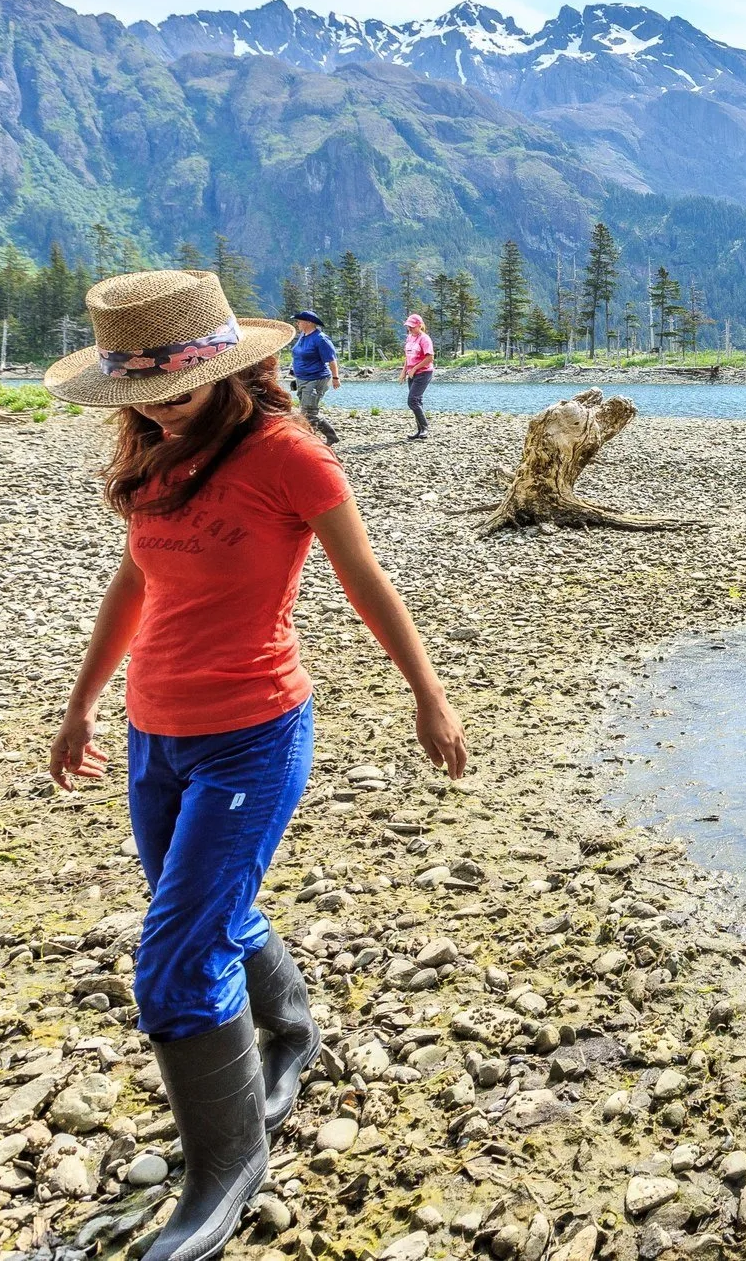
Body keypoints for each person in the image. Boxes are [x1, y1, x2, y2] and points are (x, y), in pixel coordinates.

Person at [43, 269, 467, 1261]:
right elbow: (135, 582)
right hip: (155, 732)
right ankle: (293, 1032)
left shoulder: (289, 456)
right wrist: (82, 702)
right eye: (139, 393)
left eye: (174, 389)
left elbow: (366, 579)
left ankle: (226, 1168)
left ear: (231, 370)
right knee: (205, 913)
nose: (156, 407)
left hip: (253, 734)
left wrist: (429, 694)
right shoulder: (152, 449)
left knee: (174, 960)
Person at [287, 310, 340, 445]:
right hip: (302, 378)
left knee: (308, 413)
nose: (297, 323)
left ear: (309, 322)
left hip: (316, 378)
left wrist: (335, 378)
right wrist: (293, 371)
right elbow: (297, 355)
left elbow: (332, 359)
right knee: (308, 411)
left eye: (299, 321)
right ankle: (331, 436)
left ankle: (310, 443)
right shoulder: (303, 336)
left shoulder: (321, 339)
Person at [401, 311, 435, 441]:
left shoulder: (425, 339)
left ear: (419, 325)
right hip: (412, 373)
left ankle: (425, 427)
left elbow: (430, 358)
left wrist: (415, 368)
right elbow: (408, 357)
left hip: (424, 372)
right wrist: (404, 371)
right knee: (417, 400)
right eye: (408, 326)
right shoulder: (409, 338)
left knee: (412, 400)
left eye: (412, 326)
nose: (409, 329)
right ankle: (420, 430)